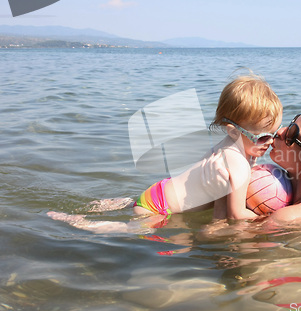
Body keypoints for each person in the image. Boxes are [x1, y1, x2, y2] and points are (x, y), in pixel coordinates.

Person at [48, 74, 283, 232]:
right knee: (127, 231)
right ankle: (82, 224)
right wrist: (269, 220)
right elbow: (236, 214)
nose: (269, 143)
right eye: (262, 137)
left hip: (158, 192)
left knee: (134, 207)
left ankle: (117, 203)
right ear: (233, 131)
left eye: (273, 135)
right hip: (161, 209)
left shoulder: (226, 146)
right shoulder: (239, 164)